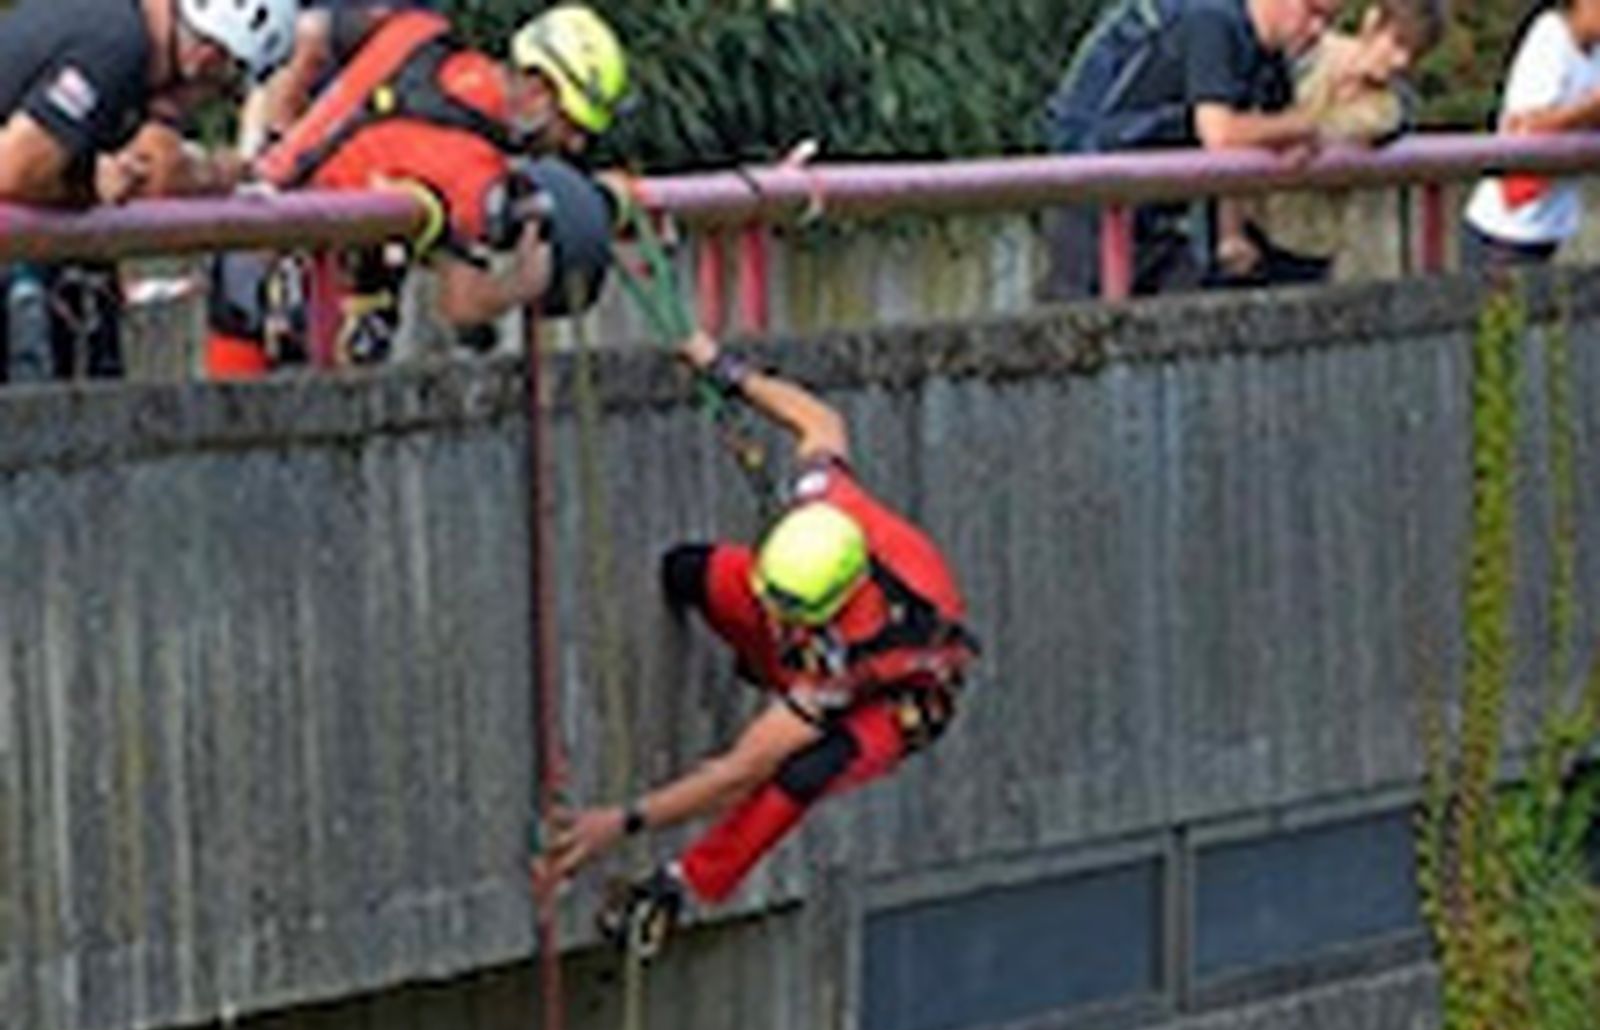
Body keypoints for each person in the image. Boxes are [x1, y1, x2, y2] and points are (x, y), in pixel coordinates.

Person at [533, 335, 977, 962]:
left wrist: (623, 821)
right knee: (687, 570)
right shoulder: (825, 502)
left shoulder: (856, 654)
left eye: (786, 618)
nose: (775, 617)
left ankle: (682, 885)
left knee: (803, 771)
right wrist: (724, 369)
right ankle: (764, 665)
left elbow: (739, 773)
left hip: (901, 701)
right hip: (808, 618)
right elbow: (820, 420)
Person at [209, 3, 624, 372]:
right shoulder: (473, 171)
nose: (574, 145)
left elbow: (311, 34)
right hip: (303, 296)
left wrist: (281, 138)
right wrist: (524, 283)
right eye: (571, 125)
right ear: (537, 92)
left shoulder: (417, 31)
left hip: (252, 237)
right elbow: (460, 306)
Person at [1041, 0, 1355, 297]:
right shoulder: (1212, 20)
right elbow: (1220, 132)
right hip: (1096, 199)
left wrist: (1231, 234)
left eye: (1328, 20)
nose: (1317, 31)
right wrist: (1309, 125)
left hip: (1156, 209)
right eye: (1313, 11)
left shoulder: (1267, 56)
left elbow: (1250, 140)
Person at [1227, 0, 1445, 284]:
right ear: (1372, 23)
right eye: (1396, 44)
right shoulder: (1310, 48)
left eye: (1412, 55)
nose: (1399, 62)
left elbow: (1347, 128)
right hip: (1248, 220)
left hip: (1308, 245)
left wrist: (1309, 134)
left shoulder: (1387, 108)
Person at [0, 0, 293, 205]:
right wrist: (88, 186)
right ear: (206, 60)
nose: (202, 104)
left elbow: (157, 166)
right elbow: (13, 173)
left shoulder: (132, 29)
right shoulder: (117, 46)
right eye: (222, 89)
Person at [1461, 0, 1600, 272]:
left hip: (1552, 225)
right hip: (1506, 230)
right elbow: (1525, 127)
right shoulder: (1550, 38)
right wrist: (1589, 111)